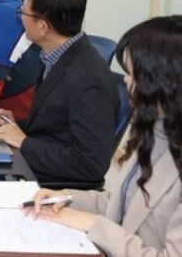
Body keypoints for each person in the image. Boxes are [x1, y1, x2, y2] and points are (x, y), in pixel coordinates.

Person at [27, 15, 182, 256]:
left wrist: (93, 224)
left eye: (133, 74)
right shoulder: (155, 131)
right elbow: (121, 205)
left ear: (168, 82)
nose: (125, 81)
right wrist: (66, 198)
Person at [0, 0, 118, 187]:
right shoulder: (55, 55)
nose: (20, 18)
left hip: (54, 185)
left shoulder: (88, 77)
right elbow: (56, 125)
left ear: (43, 26)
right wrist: (17, 124)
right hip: (42, 165)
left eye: (22, 12)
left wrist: (24, 142)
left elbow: (90, 164)